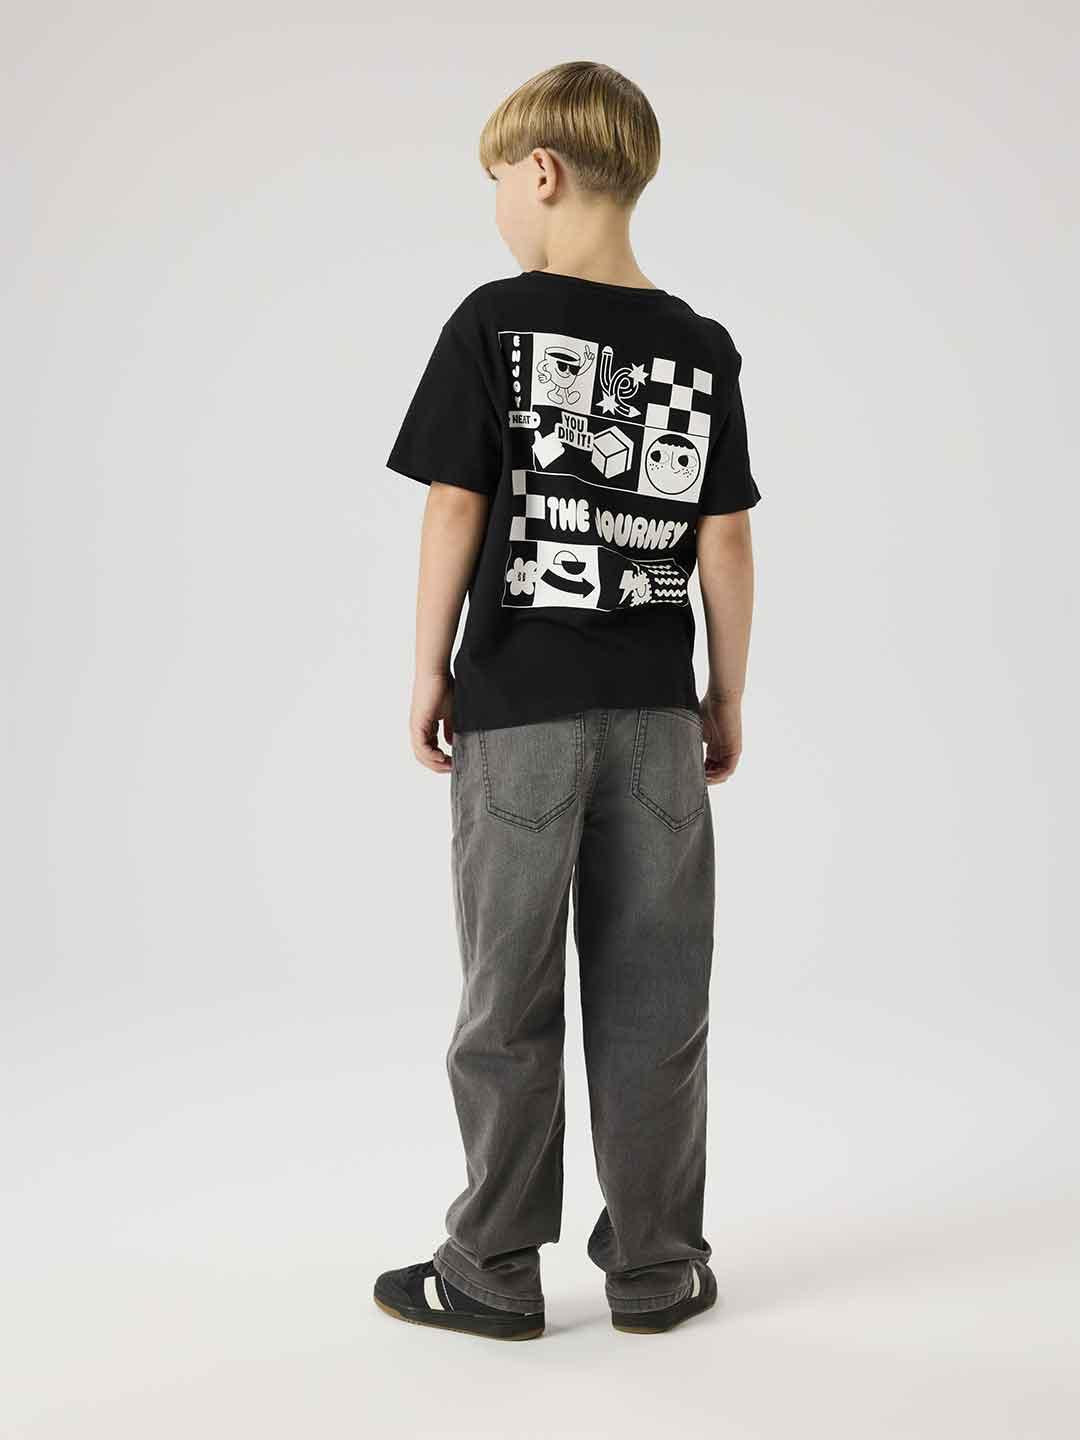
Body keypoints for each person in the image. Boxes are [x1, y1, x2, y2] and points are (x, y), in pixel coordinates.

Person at [375, 60, 759, 1341]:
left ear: (539, 173)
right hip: (656, 721)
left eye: (496, 180)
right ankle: (657, 1269)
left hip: (521, 714)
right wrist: (722, 696)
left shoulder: (495, 322)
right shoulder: (700, 347)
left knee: (509, 997)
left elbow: (456, 506)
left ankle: (490, 1269)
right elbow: (725, 541)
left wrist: (429, 667)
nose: (496, 204)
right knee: (659, 1002)